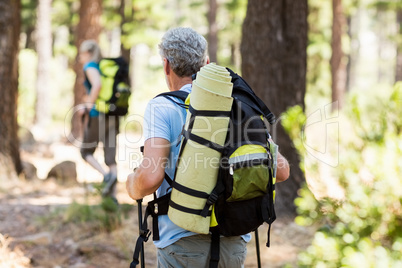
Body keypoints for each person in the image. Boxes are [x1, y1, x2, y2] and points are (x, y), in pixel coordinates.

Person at [126, 27, 290, 267]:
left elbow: (151, 177)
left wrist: (132, 185)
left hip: (182, 243)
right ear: (206, 63)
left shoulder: (162, 107)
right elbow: (282, 171)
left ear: (166, 65)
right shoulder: (237, 103)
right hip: (233, 242)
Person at [78, 40, 119, 201]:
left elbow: (97, 85)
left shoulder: (90, 67)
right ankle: (113, 198)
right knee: (111, 158)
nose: (80, 57)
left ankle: (106, 176)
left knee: (86, 151)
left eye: (81, 53)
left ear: (87, 53)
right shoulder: (104, 67)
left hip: (97, 114)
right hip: (113, 113)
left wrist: (87, 106)